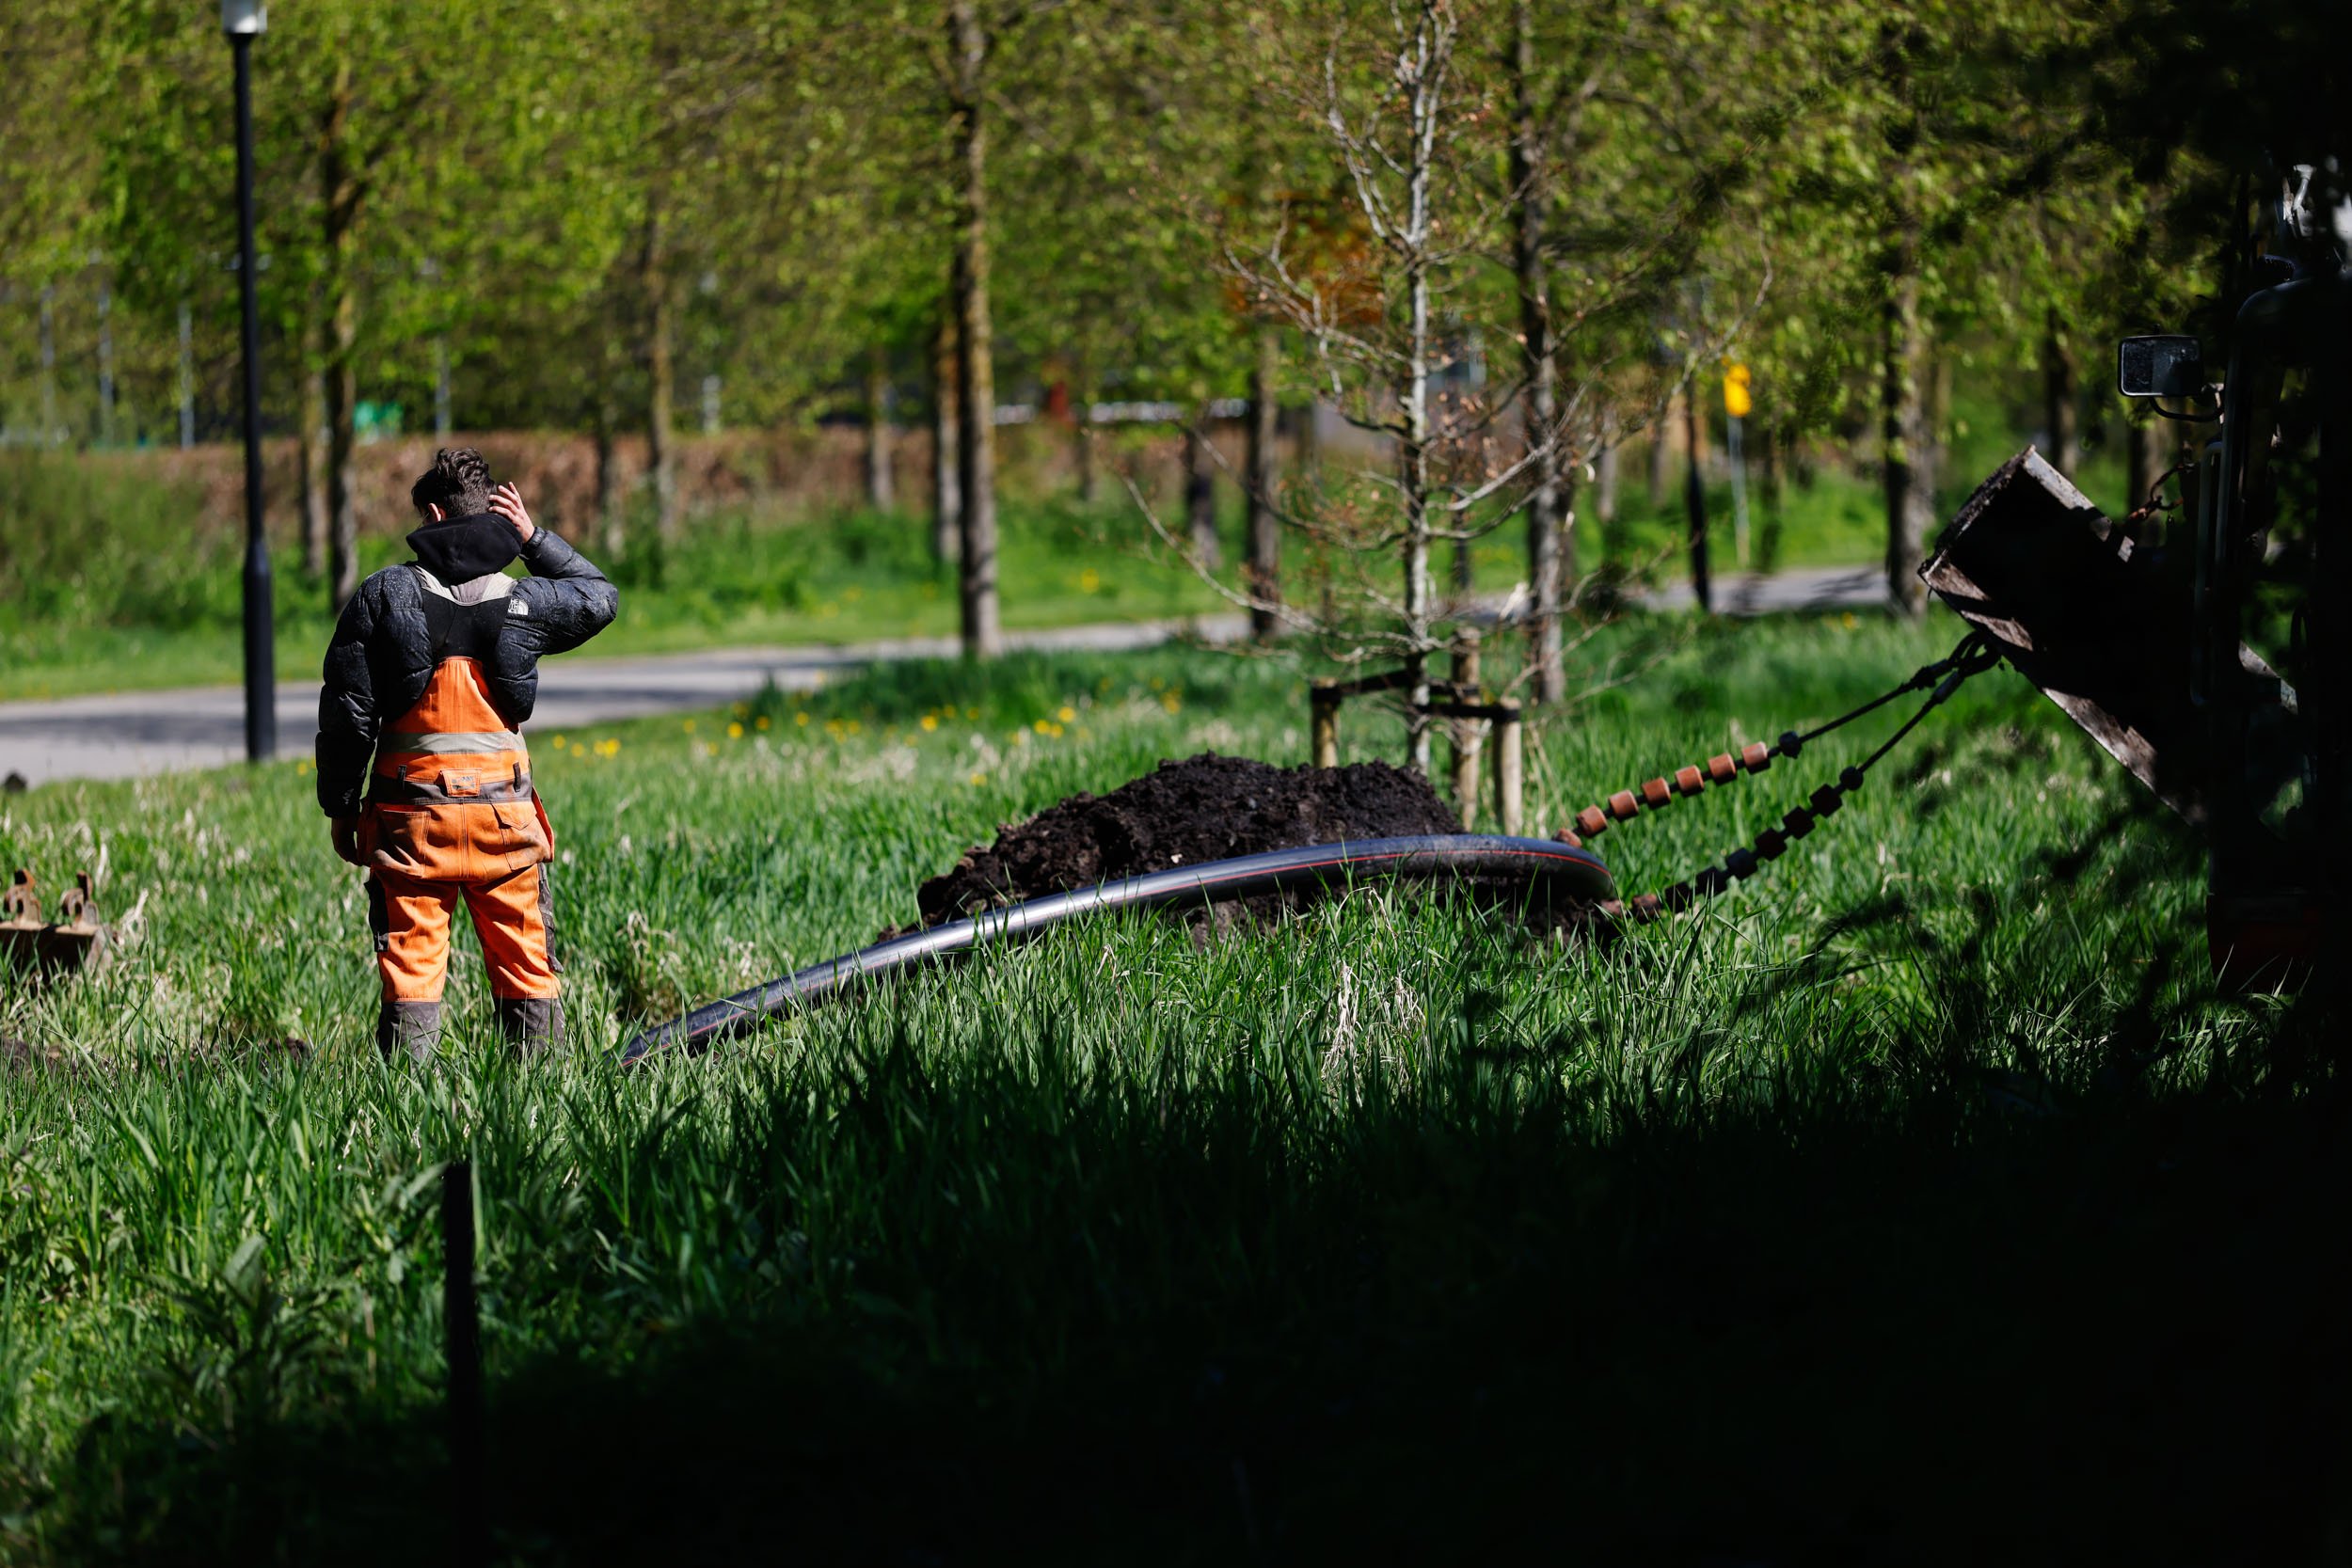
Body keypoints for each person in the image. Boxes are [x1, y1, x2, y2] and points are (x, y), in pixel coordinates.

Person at [316, 448, 617, 1060]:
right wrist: (533, 537)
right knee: (525, 963)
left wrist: (342, 807)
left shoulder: (383, 596)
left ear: (431, 513)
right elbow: (599, 595)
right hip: (504, 822)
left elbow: (348, 714)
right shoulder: (522, 601)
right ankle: (535, 1110)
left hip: (410, 823)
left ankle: (408, 1108)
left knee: (413, 968)